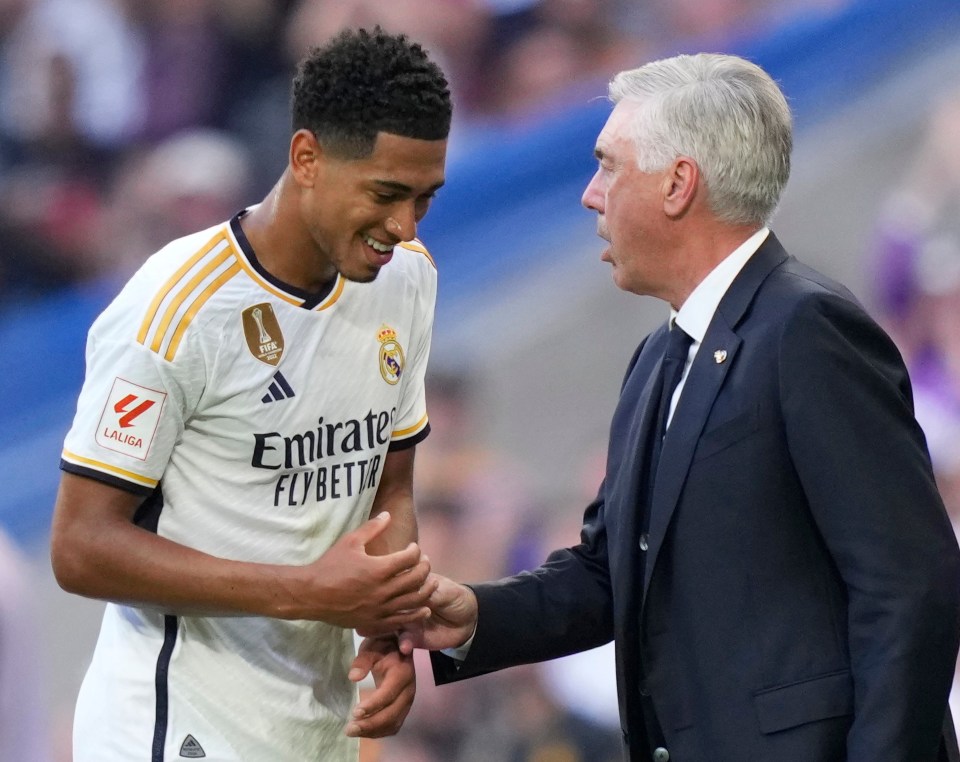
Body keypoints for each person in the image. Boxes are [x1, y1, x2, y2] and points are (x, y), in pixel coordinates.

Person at [368, 53, 960, 761]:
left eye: (609, 166)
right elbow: (606, 574)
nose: (590, 194)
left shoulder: (808, 330)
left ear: (679, 184)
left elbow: (908, 583)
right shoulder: (658, 357)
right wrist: (471, 615)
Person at [50, 27, 451, 762]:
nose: (403, 226)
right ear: (306, 158)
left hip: (319, 727)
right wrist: (308, 593)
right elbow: (80, 548)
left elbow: (389, 485)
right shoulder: (172, 311)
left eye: (425, 199)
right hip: (172, 727)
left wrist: (388, 630)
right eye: (387, 194)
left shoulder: (408, 279)